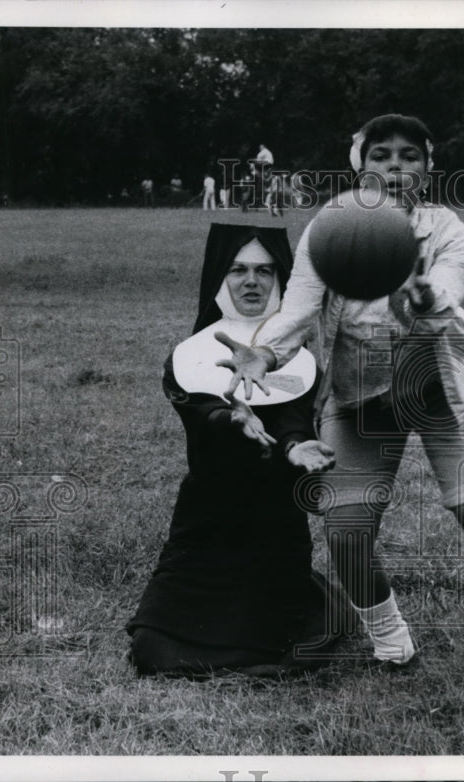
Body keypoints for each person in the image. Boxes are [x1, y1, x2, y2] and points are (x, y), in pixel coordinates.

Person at [216, 114, 464, 671]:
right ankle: (391, 640)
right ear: (360, 166)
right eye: (381, 155)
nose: (395, 166)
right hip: (361, 392)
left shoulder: (449, 229)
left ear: (429, 170)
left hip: (443, 386)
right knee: (347, 530)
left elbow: (448, 292)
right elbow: (300, 307)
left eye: (410, 156)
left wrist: (423, 293)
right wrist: (263, 352)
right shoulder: (331, 227)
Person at [127, 223, 346, 678]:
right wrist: (233, 419)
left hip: (275, 525)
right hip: (207, 524)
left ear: (282, 277)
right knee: (153, 649)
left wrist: (295, 446)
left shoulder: (299, 357)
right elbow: (199, 415)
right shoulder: (187, 355)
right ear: (218, 277)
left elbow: (292, 419)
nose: (252, 281)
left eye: (265, 270)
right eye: (238, 270)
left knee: (283, 645)